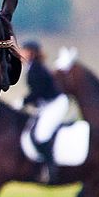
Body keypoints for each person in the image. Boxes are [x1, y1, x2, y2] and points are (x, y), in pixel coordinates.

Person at [21, 39, 68, 183]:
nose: (20, 53)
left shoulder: (36, 68)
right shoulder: (32, 67)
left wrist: (22, 102)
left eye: (23, 50)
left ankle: (52, 169)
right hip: (46, 104)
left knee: (41, 135)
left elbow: (37, 91)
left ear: (31, 52)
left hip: (55, 104)